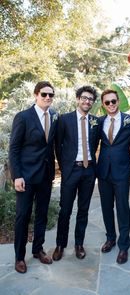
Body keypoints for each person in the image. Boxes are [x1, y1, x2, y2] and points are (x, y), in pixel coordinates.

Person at [9, 81, 57, 273]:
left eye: (51, 95)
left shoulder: (54, 117)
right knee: (23, 216)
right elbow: (14, 148)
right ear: (36, 95)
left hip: (45, 176)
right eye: (44, 94)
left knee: (42, 216)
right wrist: (17, 176)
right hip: (26, 177)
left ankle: (38, 249)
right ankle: (19, 257)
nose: (47, 98)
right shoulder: (23, 117)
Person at [52, 85, 100, 261]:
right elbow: (58, 145)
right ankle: (60, 244)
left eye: (90, 99)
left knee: (83, 209)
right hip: (71, 170)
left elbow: (94, 145)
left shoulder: (96, 121)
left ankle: (79, 244)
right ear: (78, 99)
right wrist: (64, 167)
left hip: (88, 171)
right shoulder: (64, 120)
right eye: (84, 98)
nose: (87, 101)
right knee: (65, 210)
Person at [97, 89, 130, 264]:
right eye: (107, 102)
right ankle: (110, 238)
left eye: (113, 101)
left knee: (122, 208)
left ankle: (124, 246)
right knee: (106, 207)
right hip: (103, 171)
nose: (110, 105)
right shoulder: (99, 122)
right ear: (103, 105)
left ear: (118, 101)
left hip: (122, 172)